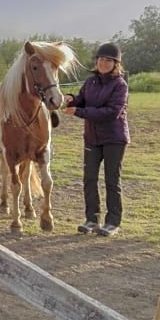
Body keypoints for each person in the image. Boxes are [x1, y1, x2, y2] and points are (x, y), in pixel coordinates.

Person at [63, 42, 130, 237]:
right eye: (100, 59)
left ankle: (112, 221)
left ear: (115, 63)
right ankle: (92, 219)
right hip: (92, 138)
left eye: (107, 60)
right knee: (89, 179)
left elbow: (111, 113)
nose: (102, 63)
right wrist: (71, 99)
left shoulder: (120, 85)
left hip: (114, 139)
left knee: (112, 180)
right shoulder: (90, 82)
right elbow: (81, 99)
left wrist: (79, 111)